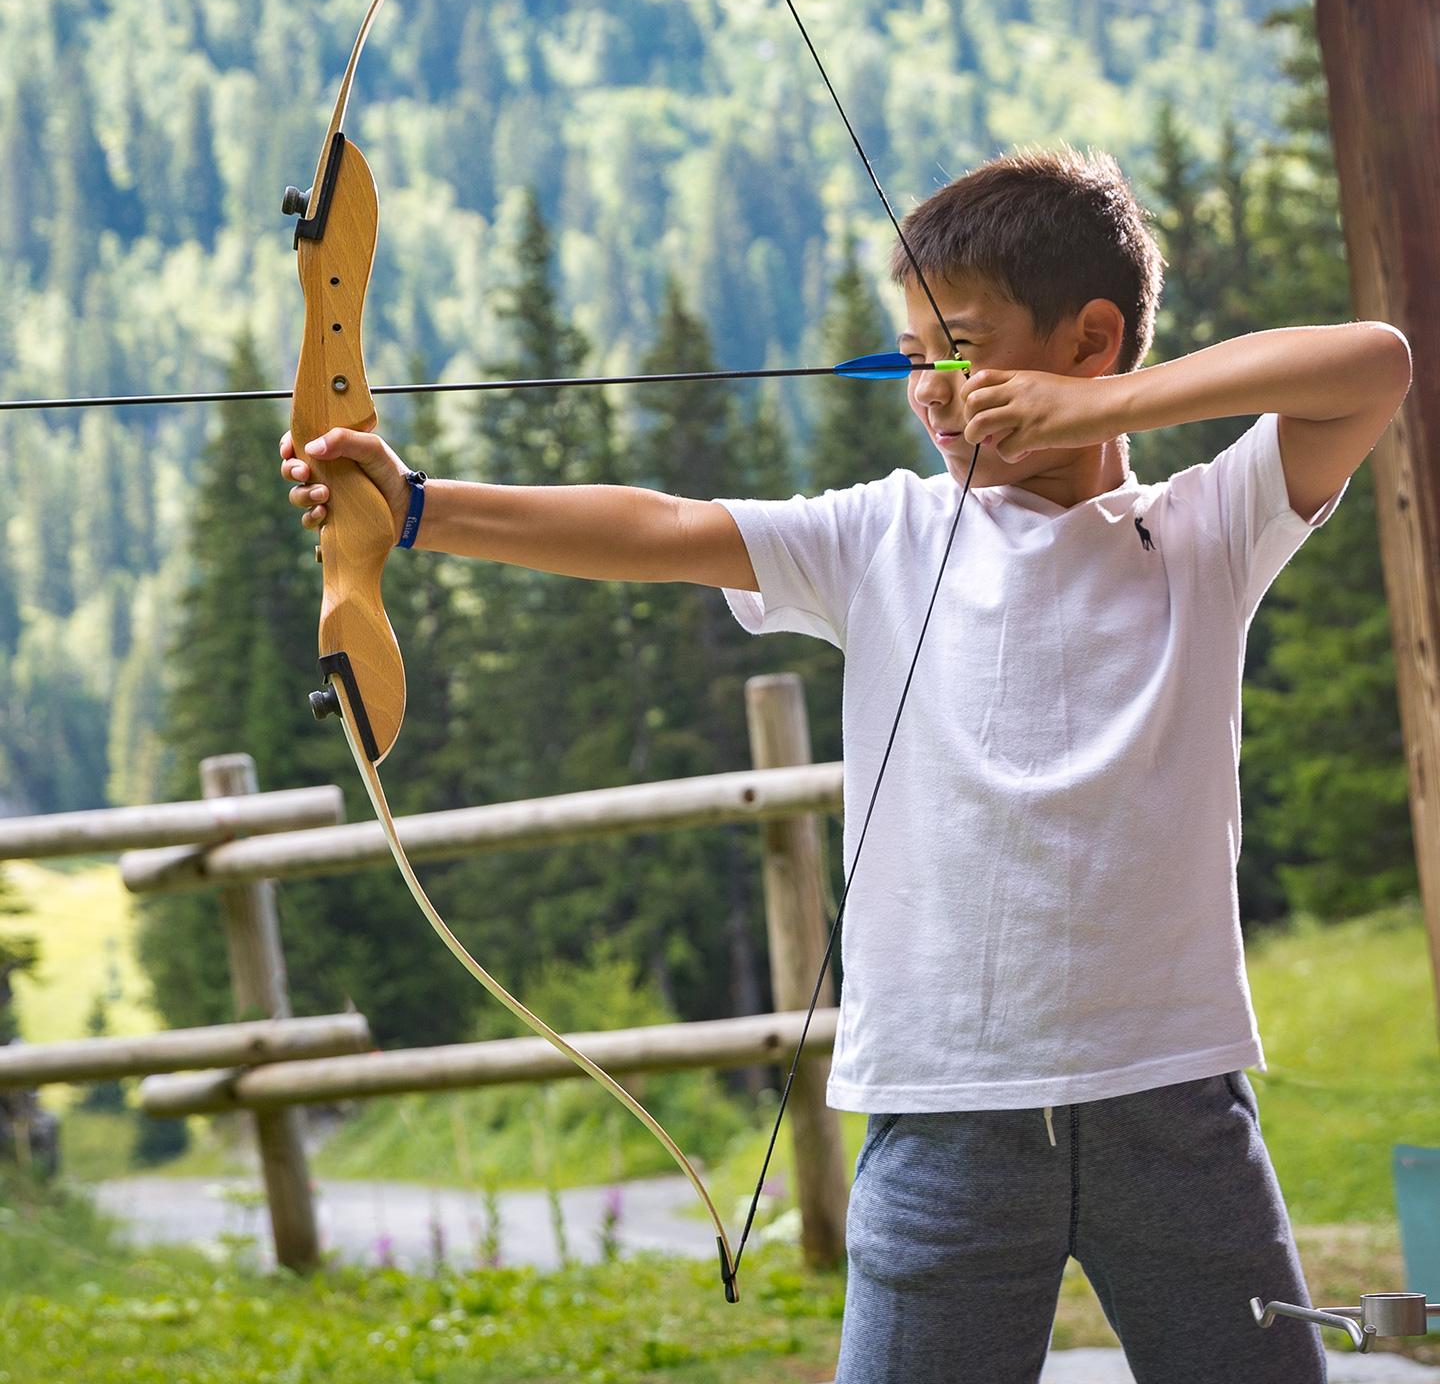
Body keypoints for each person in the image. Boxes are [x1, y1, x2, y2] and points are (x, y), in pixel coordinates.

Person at [279, 145, 1411, 1383]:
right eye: (911, 356)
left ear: (1094, 340)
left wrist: (1103, 415)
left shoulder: (1203, 528)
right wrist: (425, 507)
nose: (927, 388)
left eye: (959, 350)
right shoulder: (883, 533)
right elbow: (665, 530)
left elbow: (1372, 367)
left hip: (1176, 1107)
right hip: (945, 1119)